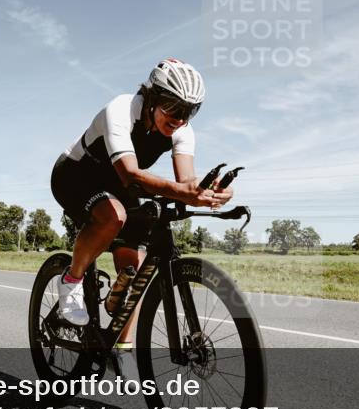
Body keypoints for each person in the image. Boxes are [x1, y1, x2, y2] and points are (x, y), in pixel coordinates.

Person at [49, 58, 232, 343]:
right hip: (76, 175)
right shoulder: (121, 110)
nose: (180, 118)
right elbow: (131, 175)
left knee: (134, 271)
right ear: (152, 96)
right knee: (113, 217)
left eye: (189, 110)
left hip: (120, 188)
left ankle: (122, 349)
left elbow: (185, 183)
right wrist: (184, 192)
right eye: (173, 106)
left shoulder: (182, 131)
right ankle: (70, 282)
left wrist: (210, 190)